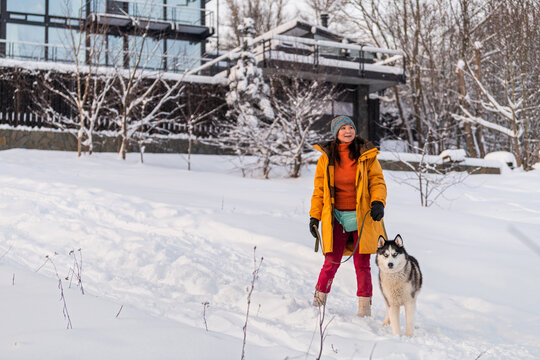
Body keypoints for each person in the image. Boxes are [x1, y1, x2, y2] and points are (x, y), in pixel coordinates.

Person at [309, 115, 387, 317]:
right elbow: (319, 191)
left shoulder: (367, 155)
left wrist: (378, 202)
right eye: (342, 128)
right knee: (331, 262)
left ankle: (364, 309)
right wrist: (314, 217)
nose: (347, 131)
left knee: (362, 264)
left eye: (350, 127)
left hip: (363, 217)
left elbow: (377, 181)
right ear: (336, 132)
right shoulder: (326, 159)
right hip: (336, 218)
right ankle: (318, 302)